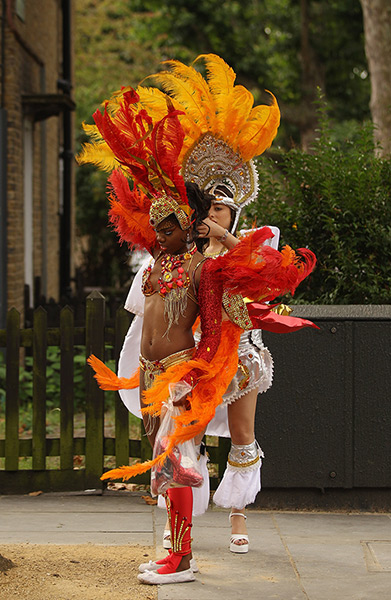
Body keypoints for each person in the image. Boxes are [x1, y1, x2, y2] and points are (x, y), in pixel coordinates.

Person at [78, 54, 317, 586]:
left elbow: (260, 280)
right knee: (166, 462)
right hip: (151, 375)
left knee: (182, 462)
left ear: (189, 222)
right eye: (155, 225)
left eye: (169, 225)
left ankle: (183, 559)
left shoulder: (209, 267)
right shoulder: (160, 262)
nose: (158, 231)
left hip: (186, 374)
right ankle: (173, 551)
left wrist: (205, 368)